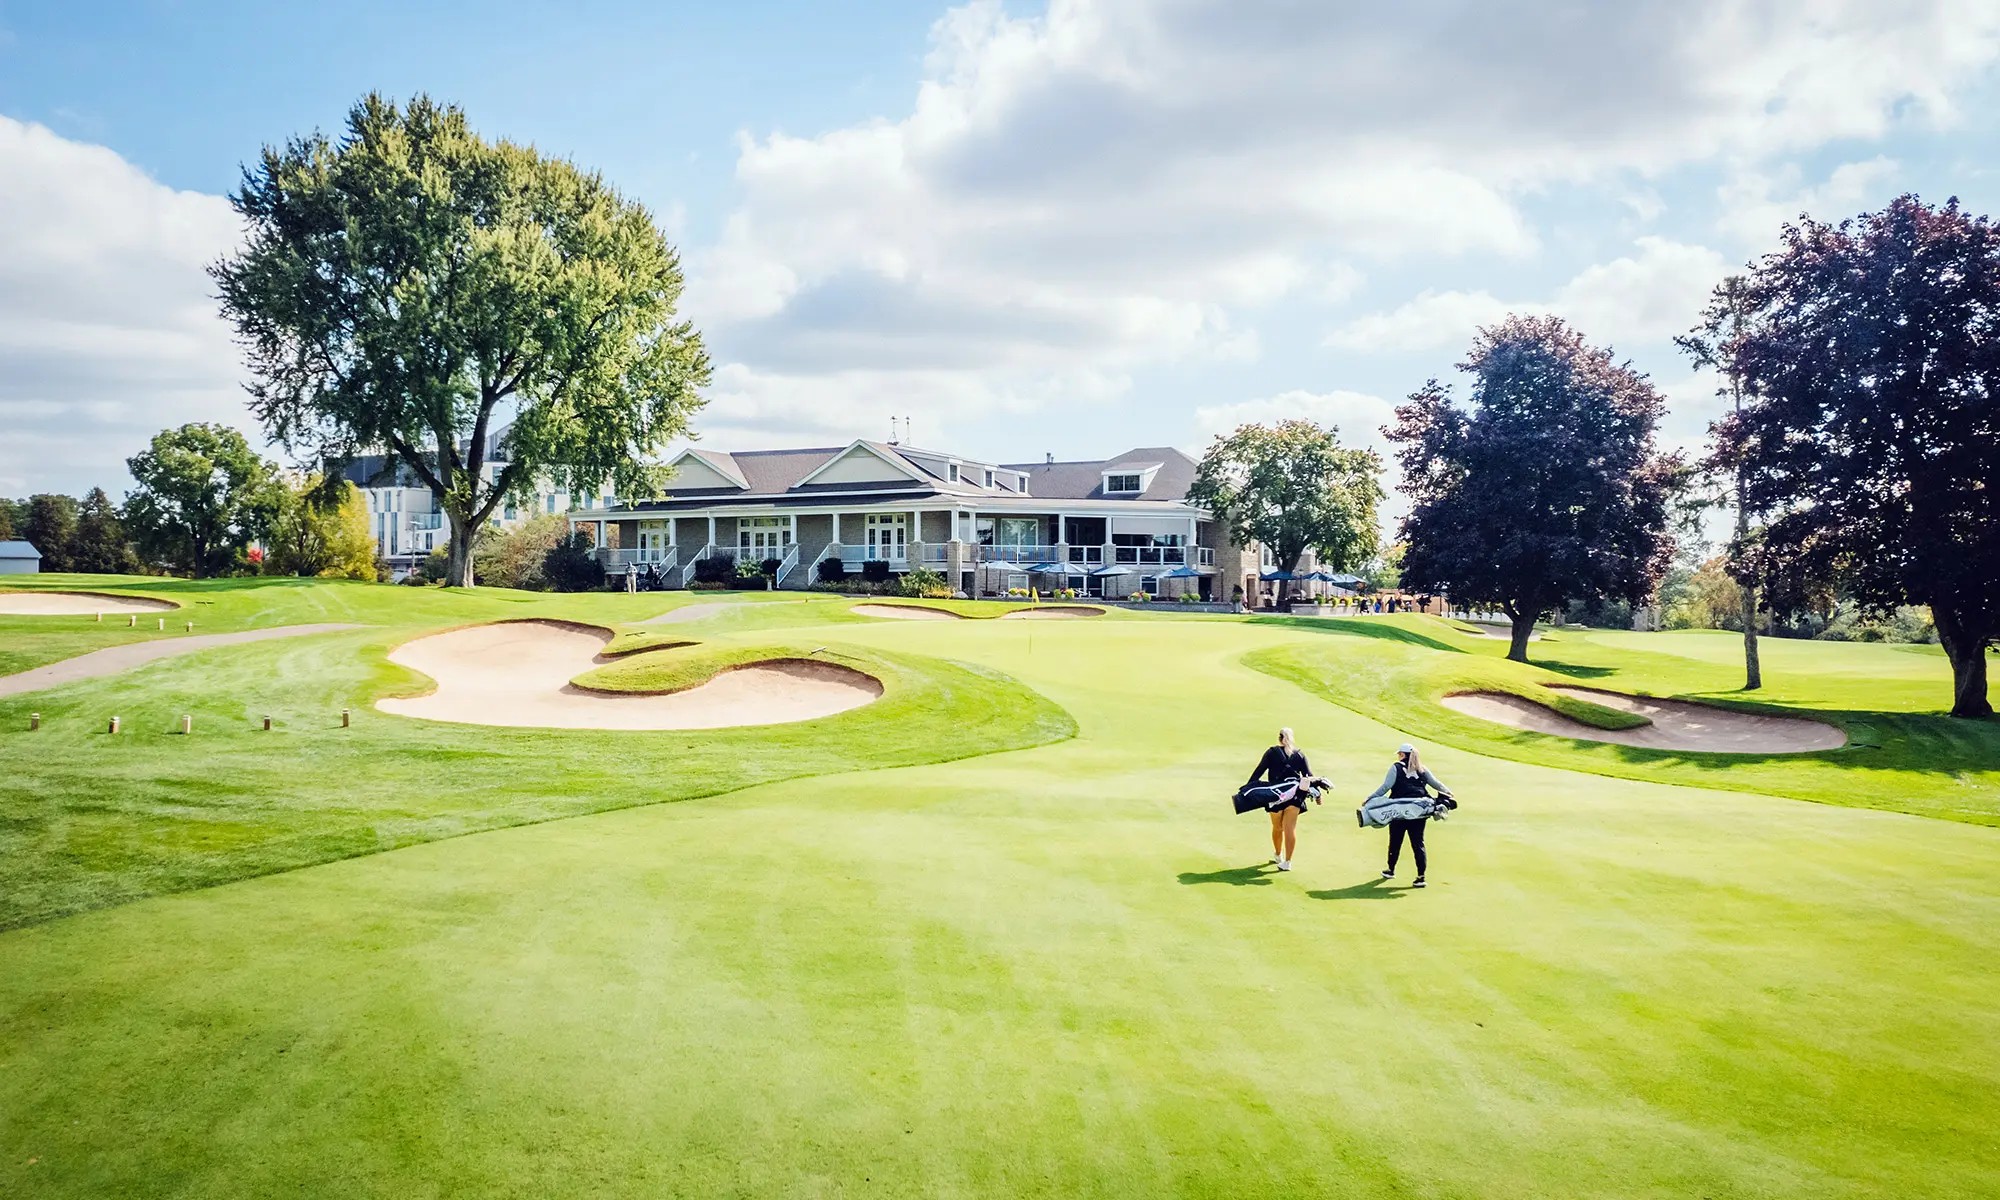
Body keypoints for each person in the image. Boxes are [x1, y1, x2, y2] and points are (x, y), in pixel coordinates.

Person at [1361, 742, 1453, 888]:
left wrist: (1369, 798)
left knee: (1396, 840)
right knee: (1418, 843)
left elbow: (1386, 787)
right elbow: (1436, 784)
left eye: (1399, 754)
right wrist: (1448, 792)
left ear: (1402, 755)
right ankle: (1421, 877)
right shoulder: (1422, 769)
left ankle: (1391, 870)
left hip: (1399, 810)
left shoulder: (1396, 767)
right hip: (1420, 811)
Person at [1245, 727, 1322, 871]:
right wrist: (1318, 793)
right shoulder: (1300, 755)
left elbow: (1259, 771)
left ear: (1280, 738)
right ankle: (1287, 862)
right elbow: (1308, 776)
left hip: (1275, 796)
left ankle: (1278, 854)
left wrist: (1248, 790)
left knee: (1277, 827)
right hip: (1294, 796)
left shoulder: (1271, 753)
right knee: (1290, 829)